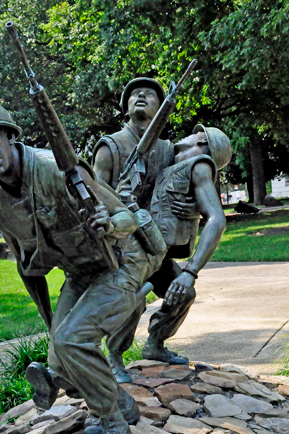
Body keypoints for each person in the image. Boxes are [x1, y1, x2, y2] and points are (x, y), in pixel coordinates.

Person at [0, 97, 166, 434]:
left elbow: (126, 216)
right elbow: (25, 263)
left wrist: (110, 225)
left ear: (8, 134)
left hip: (121, 262)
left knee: (72, 341)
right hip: (80, 273)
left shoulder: (55, 168)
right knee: (59, 356)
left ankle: (114, 425)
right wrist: (50, 321)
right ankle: (124, 405)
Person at [93, 77, 199, 383]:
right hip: (122, 246)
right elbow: (93, 193)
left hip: (155, 243)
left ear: (160, 109)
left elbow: (183, 186)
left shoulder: (168, 150)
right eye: (134, 94)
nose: (141, 96)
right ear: (125, 107)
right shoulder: (109, 147)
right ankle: (114, 356)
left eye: (150, 95)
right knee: (135, 298)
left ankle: (155, 344)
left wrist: (190, 208)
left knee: (184, 290)